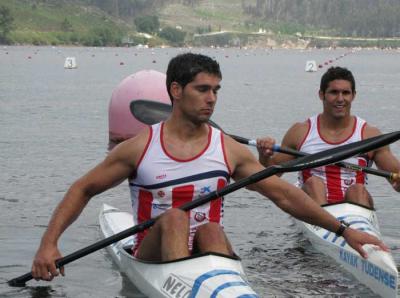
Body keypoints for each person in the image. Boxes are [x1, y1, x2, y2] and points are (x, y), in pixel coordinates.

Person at [32, 55, 388, 282]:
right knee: (174, 218)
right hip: (153, 252)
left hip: (207, 252)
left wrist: (343, 232)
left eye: (216, 90)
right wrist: (49, 245)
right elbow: (83, 188)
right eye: (202, 89)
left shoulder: (226, 150)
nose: (212, 98)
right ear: (175, 90)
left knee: (212, 229)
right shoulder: (140, 148)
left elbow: (283, 194)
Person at [257, 66, 400, 207]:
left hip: (355, 205)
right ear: (321, 94)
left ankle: (351, 228)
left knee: (358, 190)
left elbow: (396, 181)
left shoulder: (370, 135)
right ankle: (325, 222)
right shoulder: (300, 132)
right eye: (333, 92)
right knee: (314, 183)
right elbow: (271, 176)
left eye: (346, 93)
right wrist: (264, 155)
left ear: (353, 96)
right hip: (314, 204)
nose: (340, 99)